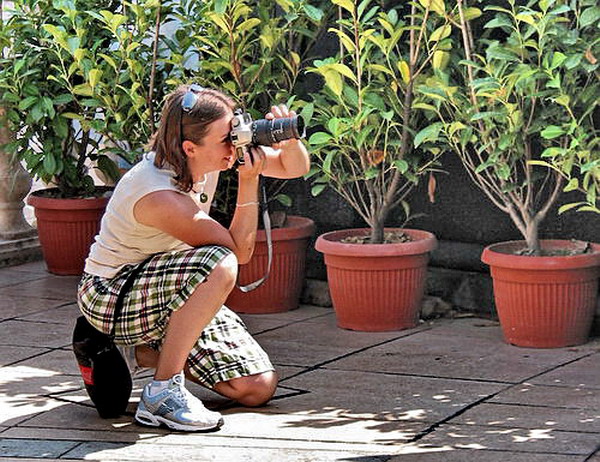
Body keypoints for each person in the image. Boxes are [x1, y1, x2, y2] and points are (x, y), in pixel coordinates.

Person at [77, 84, 310, 432]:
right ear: (190, 147)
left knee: (256, 386)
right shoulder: (157, 193)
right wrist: (248, 182)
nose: (234, 144)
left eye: (235, 131)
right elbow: (237, 252)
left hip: (172, 289)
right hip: (112, 293)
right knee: (219, 263)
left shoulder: (200, 157)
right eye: (226, 139)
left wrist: (289, 141)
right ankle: (161, 393)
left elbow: (294, 168)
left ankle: (141, 352)